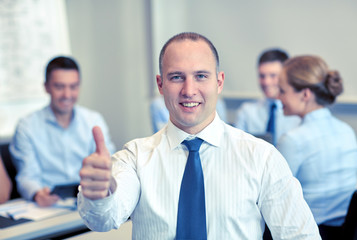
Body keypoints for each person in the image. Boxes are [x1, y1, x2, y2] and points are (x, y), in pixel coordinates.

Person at [78, 32, 320, 239]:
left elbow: (300, 236)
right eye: (176, 77)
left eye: (201, 76)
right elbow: (103, 220)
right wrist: (100, 193)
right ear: (161, 85)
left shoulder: (262, 157)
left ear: (219, 81)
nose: (189, 90)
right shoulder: (135, 157)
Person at [9, 56, 115, 207]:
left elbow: (110, 165)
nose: (67, 95)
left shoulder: (94, 121)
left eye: (73, 86)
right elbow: (27, 176)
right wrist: (37, 194)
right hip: (49, 207)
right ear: (46, 87)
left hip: (90, 201)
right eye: (59, 87)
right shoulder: (27, 126)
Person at [277, 55, 357, 239]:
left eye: (282, 90)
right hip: (346, 232)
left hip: (310, 233)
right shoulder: (347, 130)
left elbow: (275, 199)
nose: (277, 96)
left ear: (305, 94)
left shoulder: (293, 140)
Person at [234, 49, 300, 145]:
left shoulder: (297, 114)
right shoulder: (247, 112)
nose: (266, 82)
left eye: (273, 76)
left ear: (286, 76)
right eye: (262, 76)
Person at [150, 95, 227, 133]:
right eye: (177, 77)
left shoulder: (217, 103)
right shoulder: (158, 105)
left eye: (200, 76)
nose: (189, 92)